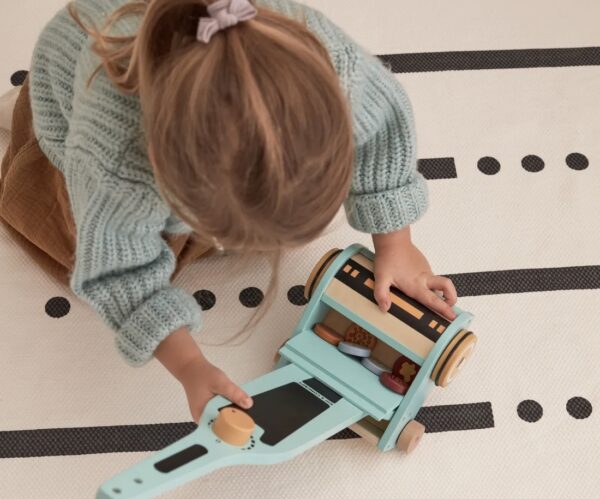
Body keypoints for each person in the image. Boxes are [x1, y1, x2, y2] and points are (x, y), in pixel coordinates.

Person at [0, 0, 457, 424]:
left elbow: (384, 126)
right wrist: (189, 366)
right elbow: (117, 273)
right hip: (73, 93)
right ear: (161, 171)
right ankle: (21, 119)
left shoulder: (330, 66)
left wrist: (396, 243)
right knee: (66, 239)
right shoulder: (117, 161)